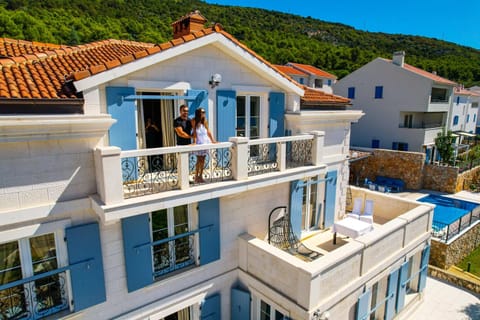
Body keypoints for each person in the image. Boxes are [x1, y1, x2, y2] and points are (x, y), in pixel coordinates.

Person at [192, 108, 216, 183]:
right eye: (202, 112)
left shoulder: (205, 121)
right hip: (199, 142)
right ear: (198, 113)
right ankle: (196, 176)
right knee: (199, 160)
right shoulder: (194, 120)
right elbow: (194, 132)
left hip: (205, 142)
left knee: (203, 160)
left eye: (204, 112)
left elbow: (208, 131)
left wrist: (213, 140)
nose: (204, 113)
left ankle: (201, 176)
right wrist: (194, 141)